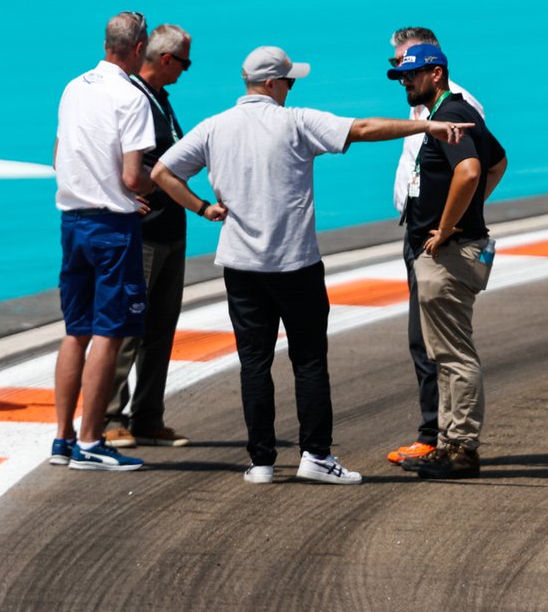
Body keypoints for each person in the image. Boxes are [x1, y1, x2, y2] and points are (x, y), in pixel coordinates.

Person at [152, 45, 471, 486]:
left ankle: (261, 462)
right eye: (288, 81)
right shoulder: (296, 122)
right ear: (271, 84)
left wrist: (202, 208)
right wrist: (428, 125)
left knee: (254, 363)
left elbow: (163, 173)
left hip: (241, 266)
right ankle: (316, 456)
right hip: (295, 264)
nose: (291, 88)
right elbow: (362, 128)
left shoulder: (214, 128)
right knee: (308, 361)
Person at [388, 43, 507, 479]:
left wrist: (448, 225)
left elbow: (473, 170)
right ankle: (450, 442)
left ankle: (460, 449)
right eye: (402, 76)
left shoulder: (454, 113)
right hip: (452, 248)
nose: (406, 83)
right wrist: (468, 212)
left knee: (453, 355)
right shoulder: (451, 111)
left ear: (436, 73)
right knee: (445, 353)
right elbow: (499, 161)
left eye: (412, 75)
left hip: (448, 253)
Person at [49, 11, 156, 472]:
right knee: (109, 335)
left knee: (75, 332)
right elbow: (134, 175)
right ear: (137, 51)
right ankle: (92, 442)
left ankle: (63, 438)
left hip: (72, 220)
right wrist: (159, 182)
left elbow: (58, 155)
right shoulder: (132, 97)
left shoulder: (74, 87)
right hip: (112, 227)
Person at [102, 24, 194, 450]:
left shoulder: (160, 100)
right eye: (185, 62)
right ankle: (109, 417)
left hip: (170, 227)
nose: (186, 71)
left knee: (161, 326)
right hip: (142, 232)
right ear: (166, 59)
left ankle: (148, 415)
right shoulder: (129, 97)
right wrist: (117, 192)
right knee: (127, 326)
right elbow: (96, 149)